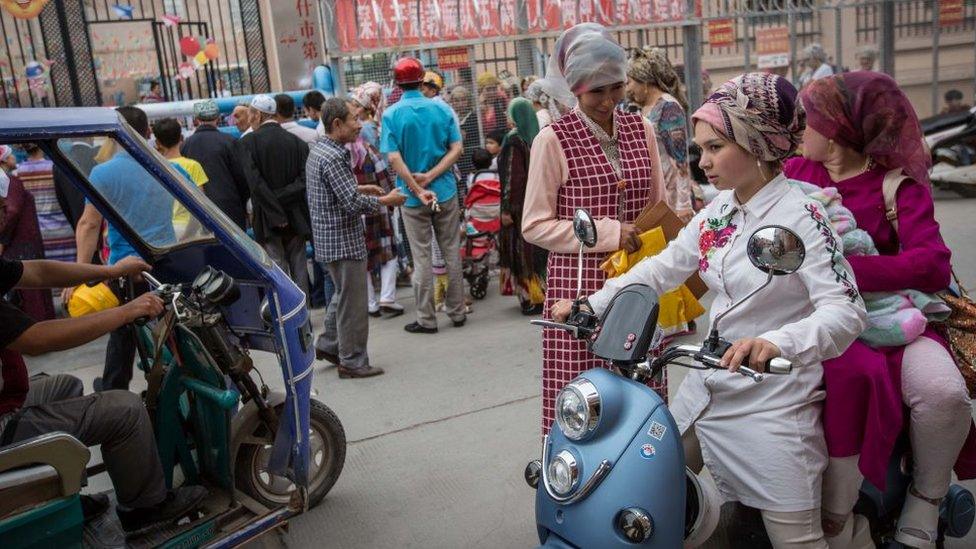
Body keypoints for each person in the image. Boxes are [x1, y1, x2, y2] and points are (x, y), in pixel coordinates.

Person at [553, 71, 868, 548]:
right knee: (639, 493)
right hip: (706, 386)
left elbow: (845, 310)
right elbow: (663, 268)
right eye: (700, 149)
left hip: (772, 401)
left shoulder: (803, 216)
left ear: (757, 143)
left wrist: (776, 342)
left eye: (715, 147)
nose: (703, 163)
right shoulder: (720, 210)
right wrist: (590, 303)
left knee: (796, 539)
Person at [785, 71, 976, 549]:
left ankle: (926, 498)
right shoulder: (793, 175)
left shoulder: (897, 186)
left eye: (807, 120)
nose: (798, 130)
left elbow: (932, 263)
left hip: (895, 320)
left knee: (944, 394)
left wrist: (847, 271)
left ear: (838, 131)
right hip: (813, 321)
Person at [521, 23, 666, 433]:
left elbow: (657, 205)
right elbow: (534, 225)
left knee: (639, 381)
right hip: (578, 284)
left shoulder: (643, 129)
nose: (608, 100)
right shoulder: (552, 140)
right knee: (584, 393)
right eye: (595, 91)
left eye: (615, 87)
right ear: (574, 88)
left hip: (637, 277)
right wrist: (605, 232)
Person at [0, 254, 207, 534]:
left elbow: (37, 272)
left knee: (66, 386)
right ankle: (144, 510)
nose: (4, 214)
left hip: (7, 394)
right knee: (126, 409)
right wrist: (125, 312)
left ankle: (63, 497)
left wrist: (112, 270)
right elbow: (36, 338)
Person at [70, 106, 177, 391]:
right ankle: (173, 389)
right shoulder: (167, 166)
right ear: (147, 133)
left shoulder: (103, 173)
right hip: (166, 264)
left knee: (122, 335)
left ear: (113, 135)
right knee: (172, 334)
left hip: (125, 270)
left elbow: (89, 225)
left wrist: (80, 274)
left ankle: (113, 393)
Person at [307, 97, 405, 378]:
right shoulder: (335, 155)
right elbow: (349, 202)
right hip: (343, 240)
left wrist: (365, 188)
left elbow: (338, 194)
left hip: (328, 239)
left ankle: (329, 343)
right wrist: (386, 200)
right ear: (337, 124)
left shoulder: (319, 150)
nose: (358, 124)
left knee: (343, 295)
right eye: (354, 119)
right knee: (353, 304)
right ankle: (352, 361)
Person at [380, 57, 465, 334]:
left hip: (411, 197)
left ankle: (427, 318)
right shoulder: (442, 110)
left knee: (422, 257)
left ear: (396, 82)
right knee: (451, 250)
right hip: (445, 190)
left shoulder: (391, 115)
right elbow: (456, 149)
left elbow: (393, 158)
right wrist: (431, 177)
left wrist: (417, 187)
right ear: (421, 79)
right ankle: (457, 310)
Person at [237, 94, 312, 296]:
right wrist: (282, 200)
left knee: (278, 274)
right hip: (296, 216)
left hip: (266, 217)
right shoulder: (297, 143)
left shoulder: (247, 143)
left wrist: (275, 210)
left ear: (258, 115)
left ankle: (286, 321)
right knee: (300, 271)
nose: (250, 118)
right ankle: (303, 322)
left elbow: (256, 184)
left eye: (251, 114)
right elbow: (304, 181)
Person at [348, 85, 404, 318]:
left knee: (364, 258)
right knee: (388, 251)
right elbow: (383, 174)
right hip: (379, 206)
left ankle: (371, 303)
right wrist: (390, 200)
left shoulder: (338, 153)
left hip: (355, 211)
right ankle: (387, 297)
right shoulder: (370, 145)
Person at [626, 47, 696, 222]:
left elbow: (680, 160)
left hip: (670, 198)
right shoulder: (640, 108)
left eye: (630, 82)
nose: (628, 89)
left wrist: (684, 203)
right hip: (652, 195)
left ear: (645, 82)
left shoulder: (668, 108)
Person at [497, 98, 547, 315]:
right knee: (538, 250)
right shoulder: (538, 135)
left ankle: (529, 297)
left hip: (519, 207)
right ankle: (543, 294)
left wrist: (506, 209)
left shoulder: (513, 140)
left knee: (521, 251)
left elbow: (511, 177)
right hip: (539, 201)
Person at [182, 99, 251, 229]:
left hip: (199, 209)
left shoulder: (186, 145)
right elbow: (242, 177)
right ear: (218, 118)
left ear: (196, 119)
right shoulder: (230, 141)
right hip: (230, 208)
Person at [0, 159, 53, 321]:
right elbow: (31, 337)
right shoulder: (10, 182)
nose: (4, 213)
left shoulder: (11, 180)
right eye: (2, 207)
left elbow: (41, 273)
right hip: (19, 245)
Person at [14, 143, 76, 264]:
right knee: (68, 277)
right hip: (63, 234)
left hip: (36, 236)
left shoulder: (17, 173)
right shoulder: (55, 168)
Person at [151, 118, 209, 241]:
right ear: (181, 138)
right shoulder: (193, 165)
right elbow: (200, 201)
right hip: (189, 227)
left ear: (157, 142)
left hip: (163, 228)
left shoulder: (154, 167)